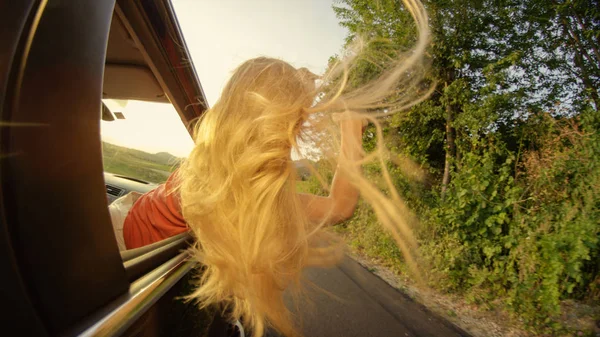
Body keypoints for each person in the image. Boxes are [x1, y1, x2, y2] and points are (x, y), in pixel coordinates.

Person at [124, 1, 430, 335]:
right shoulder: (258, 195)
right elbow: (340, 207)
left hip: (130, 229)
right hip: (131, 241)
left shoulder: (211, 160)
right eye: (299, 120)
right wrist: (351, 129)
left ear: (232, 105)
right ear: (290, 126)